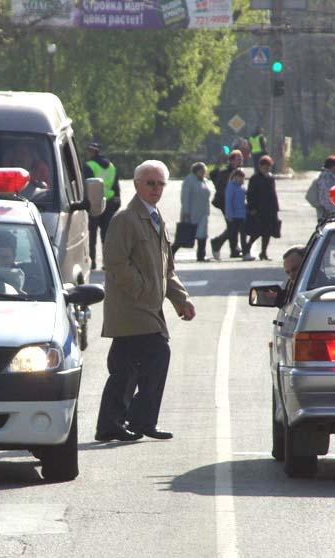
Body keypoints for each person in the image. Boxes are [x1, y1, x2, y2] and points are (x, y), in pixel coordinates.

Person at [95, 160, 196, 442]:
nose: (155, 188)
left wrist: (180, 299)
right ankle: (139, 420)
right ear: (137, 184)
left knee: (125, 370)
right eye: (150, 183)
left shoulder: (155, 218)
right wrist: (142, 290)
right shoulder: (125, 219)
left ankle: (112, 424)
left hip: (147, 308)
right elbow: (115, 263)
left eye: (160, 183)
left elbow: (167, 268)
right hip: (131, 309)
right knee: (156, 357)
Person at [84, 142, 121, 270]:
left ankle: (92, 261)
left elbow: (86, 186)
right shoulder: (111, 166)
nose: (87, 153)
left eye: (88, 151)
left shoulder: (89, 166)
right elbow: (116, 185)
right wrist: (117, 201)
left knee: (92, 233)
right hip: (109, 201)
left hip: (94, 202)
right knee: (107, 235)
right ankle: (107, 263)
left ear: (93, 152)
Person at [172, 162, 211, 261]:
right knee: (184, 236)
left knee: (202, 235)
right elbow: (185, 197)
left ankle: (201, 255)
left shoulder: (204, 181)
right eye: (201, 171)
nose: (203, 173)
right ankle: (170, 253)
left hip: (203, 213)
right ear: (195, 171)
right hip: (191, 212)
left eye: (204, 171)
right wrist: (186, 212)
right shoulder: (189, 180)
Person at [246, 155, 280, 261]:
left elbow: (273, 194)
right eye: (264, 166)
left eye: (268, 166)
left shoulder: (270, 178)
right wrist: (252, 208)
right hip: (258, 209)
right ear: (260, 166)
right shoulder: (255, 178)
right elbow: (250, 194)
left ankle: (264, 253)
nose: (266, 168)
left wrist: (276, 209)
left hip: (270, 210)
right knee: (256, 232)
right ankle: (247, 248)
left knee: (267, 232)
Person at [210, 150, 243, 259]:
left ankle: (233, 249)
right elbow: (221, 188)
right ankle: (217, 242)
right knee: (233, 226)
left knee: (234, 226)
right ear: (231, 160)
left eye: (241, 158)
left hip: (235, 204)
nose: (240, 160)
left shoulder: (237, 171)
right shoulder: (225, 172)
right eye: (238, 158)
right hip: (225, 203)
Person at [225, 168, 254, 261]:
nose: (242, 180)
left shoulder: (242, 187)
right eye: (240, 178)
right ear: (235, 177)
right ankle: (216, 244)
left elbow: (244, 200)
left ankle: (245, 253)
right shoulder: (231, 187)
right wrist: (229, 215)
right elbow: (229, 202)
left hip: (242, 215)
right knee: (231, 234)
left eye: (243, 178)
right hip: (234, 215)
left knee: (243, 235)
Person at [307, 155, 335, 222]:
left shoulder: (328, 176)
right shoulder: (327, 177)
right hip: (328, 215)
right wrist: (328, 211)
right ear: (333, 166)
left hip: (326, 215)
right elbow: (325, 196)